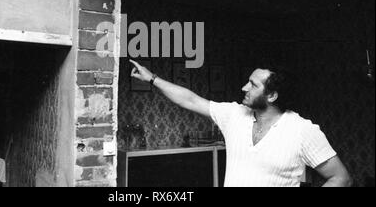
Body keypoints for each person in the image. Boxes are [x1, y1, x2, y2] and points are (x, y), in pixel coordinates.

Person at [129, 60, 352, 187]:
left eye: (252, 85)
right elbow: (191, 99)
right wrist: (152, 78)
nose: (244, 88)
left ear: (272, 96)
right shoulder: (234, 115)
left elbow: (341, 178)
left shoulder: (303, 130)